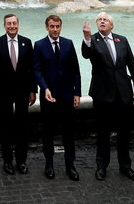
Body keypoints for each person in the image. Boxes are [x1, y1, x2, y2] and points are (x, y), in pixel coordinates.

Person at [81, 13, 134, 181]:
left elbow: (133, 65)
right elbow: (86, 54)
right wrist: (86, 37)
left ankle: (126, 166)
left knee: (124, 133)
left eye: (105, 20)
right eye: (99, 19)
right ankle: (101, 166)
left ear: (112, 25)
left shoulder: (122, 40)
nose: (102, 21)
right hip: (103, 95)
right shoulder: (93, 40)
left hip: (123, 94)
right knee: (103, 133)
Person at [33, 15, 81, 181]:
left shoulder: (68, 43)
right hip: (49, 96)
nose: (55, 29)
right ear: (47, 27)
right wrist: (44, 88)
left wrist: (77, 93)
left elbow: (75, 70)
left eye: (57, 26)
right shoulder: (39, 45)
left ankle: (70, 165)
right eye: (52, 26)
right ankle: (49, 164)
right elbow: (37, 71)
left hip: (67, 95)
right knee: (48, 132)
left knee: (69, 132)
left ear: (61, 27)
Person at [0, 14, 35, 175]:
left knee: (22, 127)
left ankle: (21, 161)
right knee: (6, 127)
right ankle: (7, 161)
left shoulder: (27, 42)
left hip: (23, 92)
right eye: (9, 24)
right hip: (4, 92)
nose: (12, 26)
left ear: (18, 25)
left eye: (14, 23)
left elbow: (32, 69)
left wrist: (33, 90)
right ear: (4, 26)